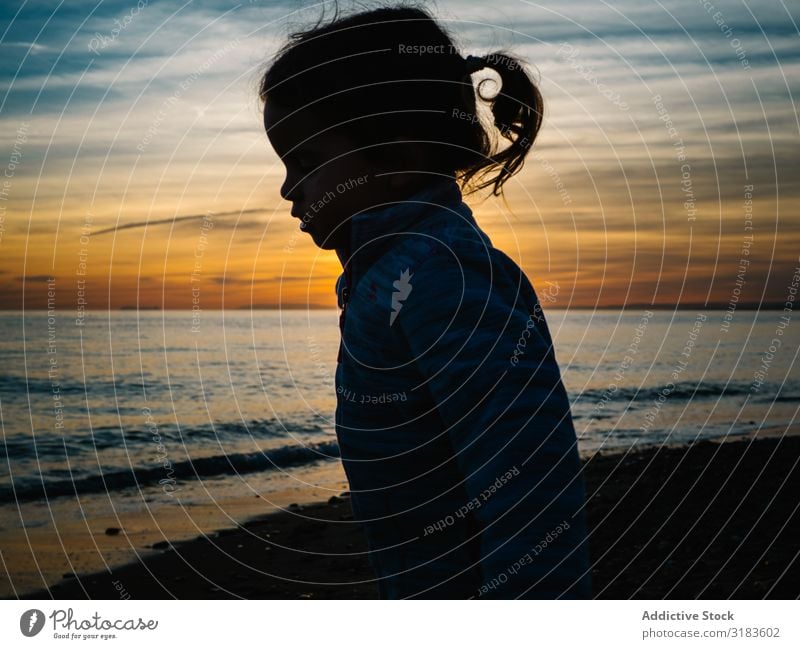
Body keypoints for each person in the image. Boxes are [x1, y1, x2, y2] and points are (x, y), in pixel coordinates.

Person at [258, 3, 592, 599]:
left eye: (304, 162)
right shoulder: (385, 277)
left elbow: (529, 487)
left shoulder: (447, 277)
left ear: (395, 150)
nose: (288, 188)